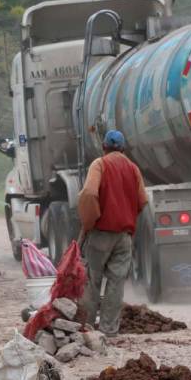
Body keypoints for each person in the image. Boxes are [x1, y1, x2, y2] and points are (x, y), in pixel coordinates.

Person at [77, 130, 148, 335]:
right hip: (123, 236)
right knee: (116, 283)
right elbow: (143, 201)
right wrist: (128, 218)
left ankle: (89, 327)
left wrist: (90, 220)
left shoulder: (99, 164)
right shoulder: (133, 168)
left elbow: (90, 193)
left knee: (92, 280)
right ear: (123, 149)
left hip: (100, 233)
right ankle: (109, 330)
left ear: (104, 147)